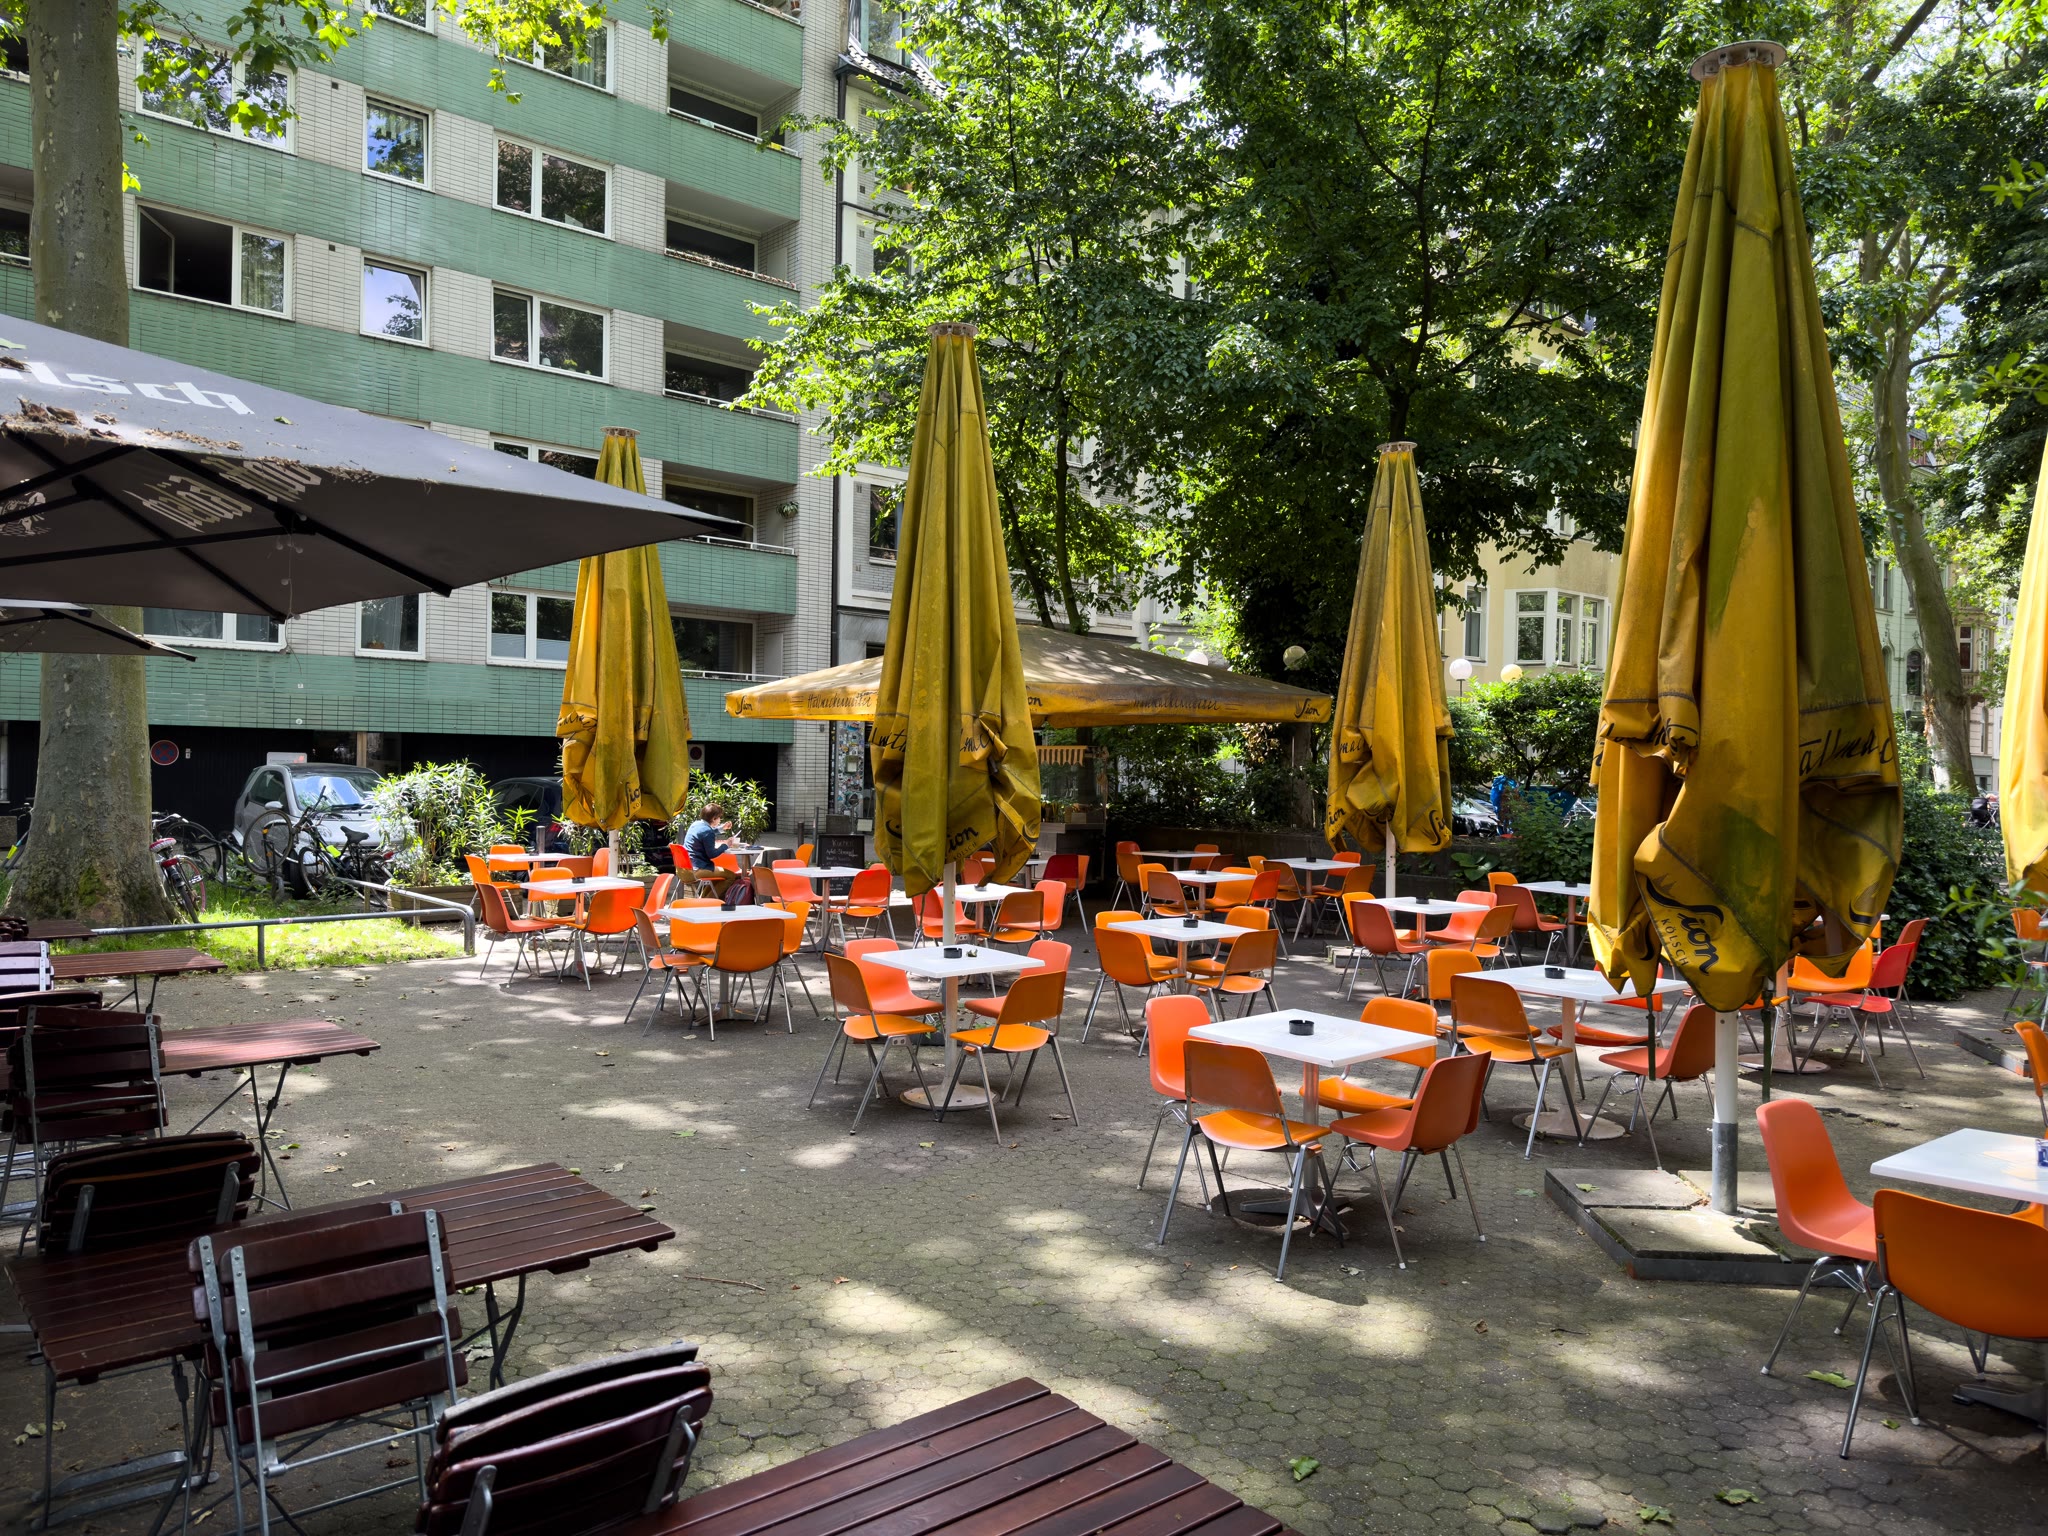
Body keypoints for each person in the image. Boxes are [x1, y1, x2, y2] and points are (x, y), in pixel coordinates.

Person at [682, 804, 728, 870]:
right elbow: (712, 854)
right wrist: (726, 845)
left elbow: (704, 832)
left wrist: (722, 828)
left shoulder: (695, 824)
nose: (720, 820)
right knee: (730, 874)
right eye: (719, 817)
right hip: (699, 867)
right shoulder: (708, 831)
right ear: (714, 819)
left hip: (687, 866)